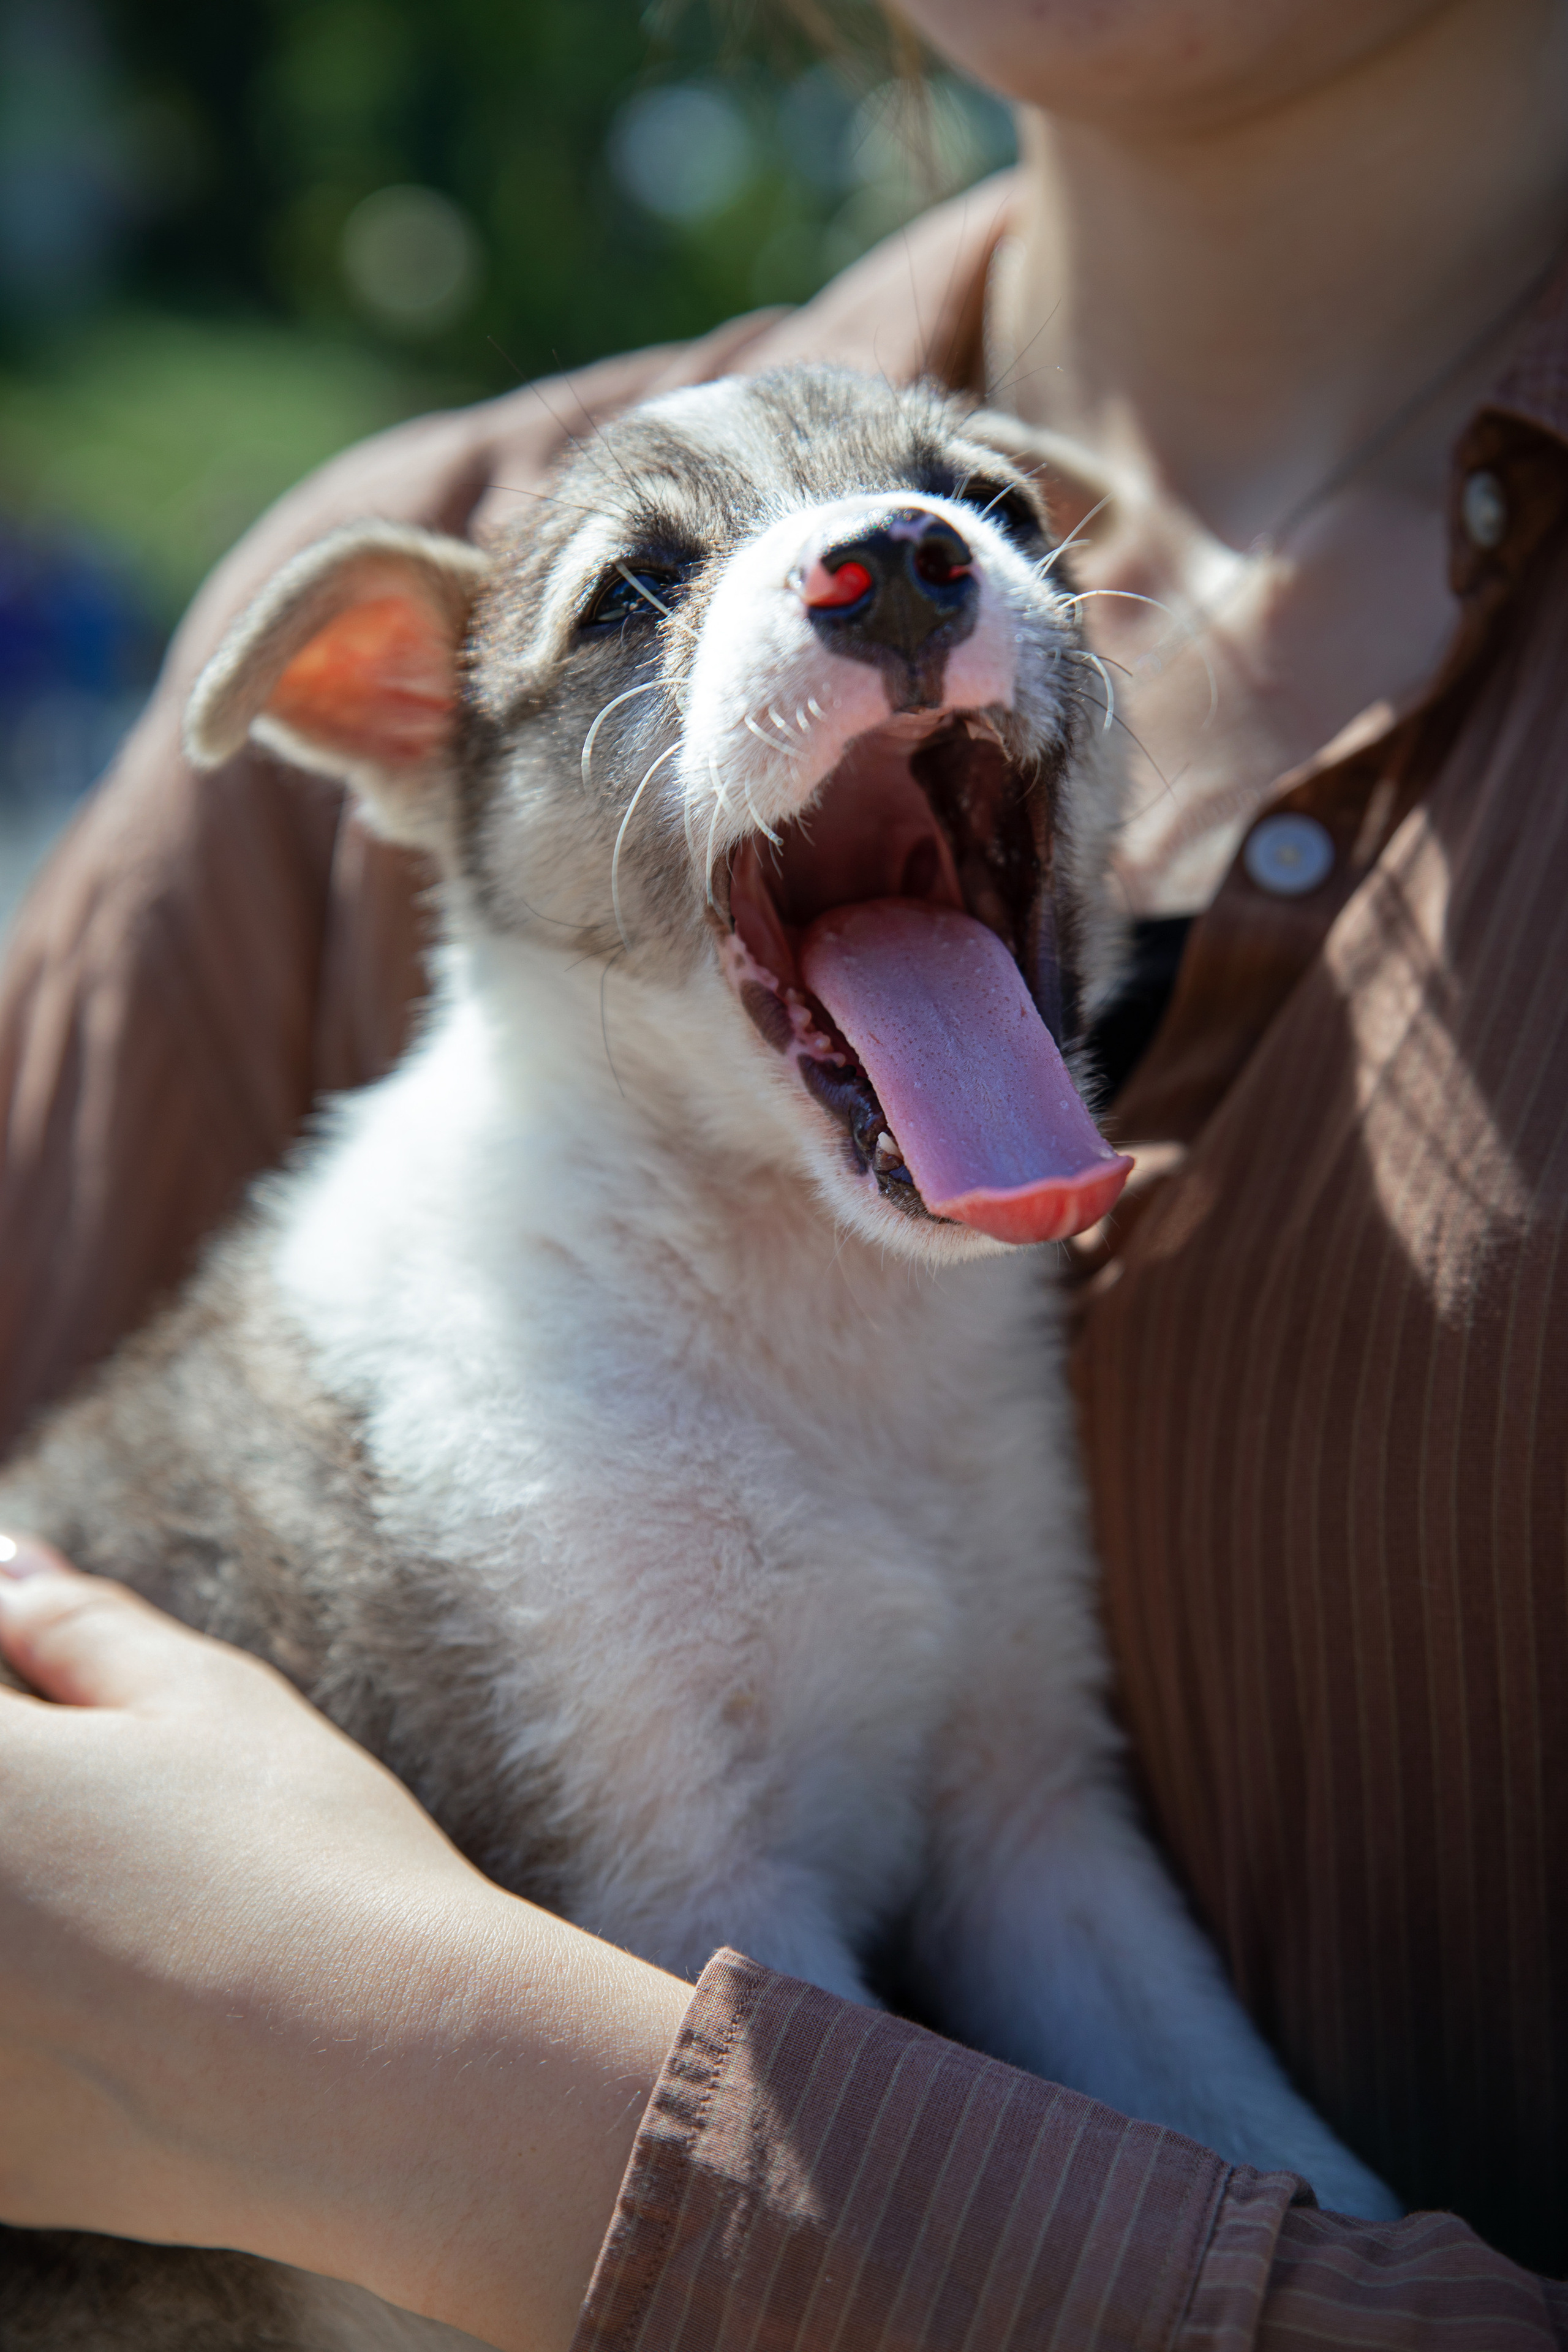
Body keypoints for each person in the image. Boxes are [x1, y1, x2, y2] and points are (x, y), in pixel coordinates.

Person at [2, 0, 1567, 2343]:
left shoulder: (928, 1282)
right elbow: (724, 1955)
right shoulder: (449, 1305)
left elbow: (1018, 1831)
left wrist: (319, 2054)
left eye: (990, 520)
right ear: (387, 712)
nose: (886, 563)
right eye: (640, 588)